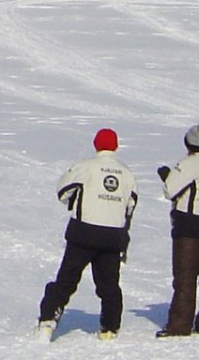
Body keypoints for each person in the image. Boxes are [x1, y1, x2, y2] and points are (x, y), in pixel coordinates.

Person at [38, 129, 138, 340]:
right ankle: (109, 327)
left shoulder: (86, 166)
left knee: (67, 278)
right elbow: (131, 204)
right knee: (109, 284)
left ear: (96, 145)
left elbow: (62, 191)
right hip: (112, 236)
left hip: (84, 232)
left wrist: (76, 202)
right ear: (115, 146)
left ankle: (48, 320)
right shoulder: (126, 173)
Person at [157, 123, 199, 336]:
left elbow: (170, 190)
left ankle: (179, 325)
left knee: (185, 277)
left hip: (190, 225)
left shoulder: (189, 164)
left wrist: (167, 175)